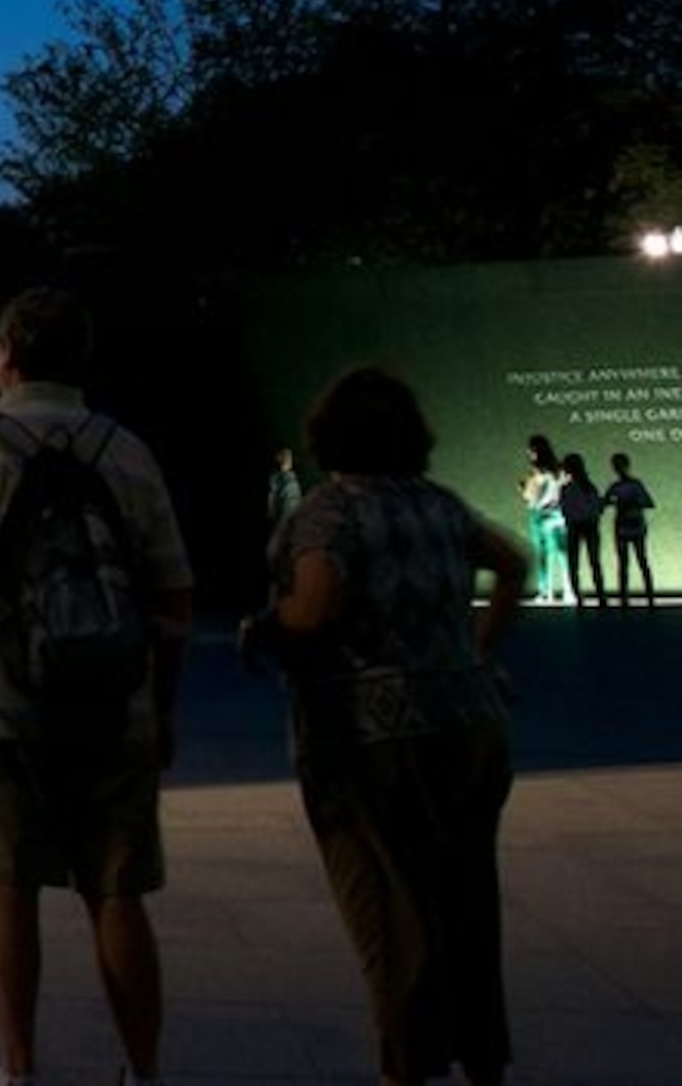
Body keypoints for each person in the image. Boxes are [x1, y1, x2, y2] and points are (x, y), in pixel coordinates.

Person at [0, 286, 194, 1086]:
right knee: (117, 893)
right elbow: (175, 594)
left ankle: (18, 1069)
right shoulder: (125, 449)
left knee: (8, 888)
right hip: (117, 708)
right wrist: (162, 707)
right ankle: (143, 1072)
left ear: (5, 354)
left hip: (2, 706)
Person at [251, 366, 528, 1085]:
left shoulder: (326, 513)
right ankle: (483, 1060)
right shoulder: (441, 505)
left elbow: (313, 606)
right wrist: (475, 651)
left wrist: (268, 628)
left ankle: (405, 1067)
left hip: (370, 742)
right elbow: (514, 563)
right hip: (471, 723)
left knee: (388, 915)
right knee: (470, 903)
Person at [518, 436, 568, 604]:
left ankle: (545, 592)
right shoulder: (559, 469)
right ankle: (569, 591)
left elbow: (531, 497)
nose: (528, 453)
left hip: (540, 514)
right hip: (558, 514)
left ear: (535, 451)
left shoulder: (536, 470)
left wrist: (524, 489)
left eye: (530, 449)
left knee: (542, 554)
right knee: (563, 554)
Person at [556, 452, 607, 606]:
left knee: (573, 564)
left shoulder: (566, 489)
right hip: (591, 526)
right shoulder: (590, 486)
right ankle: (601, 596)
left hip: (574, 527)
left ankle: (579, 597)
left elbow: (565, 510)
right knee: (595, 562)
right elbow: (598, 509)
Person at [605, 452, 656, 604]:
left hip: (633, 526)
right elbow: (604, 502)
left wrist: (632, 502)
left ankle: (648, 596)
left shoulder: (633, 485)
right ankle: (627, 598)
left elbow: (649, 503)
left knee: (640, 561)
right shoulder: (620, 486)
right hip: (625, 527)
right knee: (626, 563)